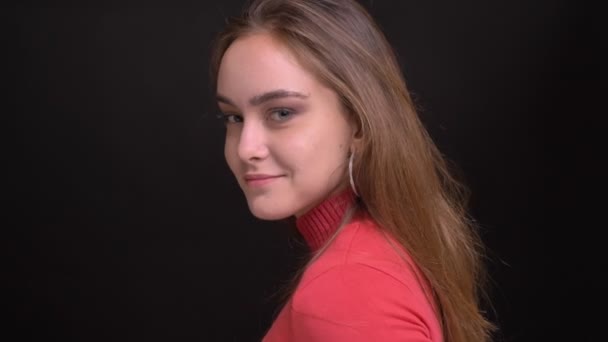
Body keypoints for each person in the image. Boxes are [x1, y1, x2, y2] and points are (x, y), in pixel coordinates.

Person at [210, 0, 494, 341]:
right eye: (234, 118)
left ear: (358, 124)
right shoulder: (379, 252)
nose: (245, 148)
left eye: (281, 113)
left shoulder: (347, 288)